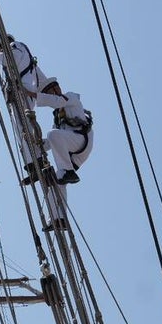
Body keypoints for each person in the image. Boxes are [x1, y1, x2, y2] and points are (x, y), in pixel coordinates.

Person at [30, 79, 94, 232]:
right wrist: (35, 144)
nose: (51, 95)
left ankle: (67, 172)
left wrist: (32, 95)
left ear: (57, 88)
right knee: (54, 182)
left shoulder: (70, 98)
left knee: (53, 135)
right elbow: (51, 143)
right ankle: (58, 218)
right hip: (72, 155)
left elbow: (57, 101)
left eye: (50, 91)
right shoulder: (58, 119)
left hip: (80, 141)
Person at [0, 35, 51, 179]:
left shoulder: (14, 46)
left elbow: (5, 59)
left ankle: (35, 162)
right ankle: (34, 162)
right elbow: (42, 79)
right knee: (23, 127)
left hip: (21, 91)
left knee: (22, 127)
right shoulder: (28, 55)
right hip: (28, 93)